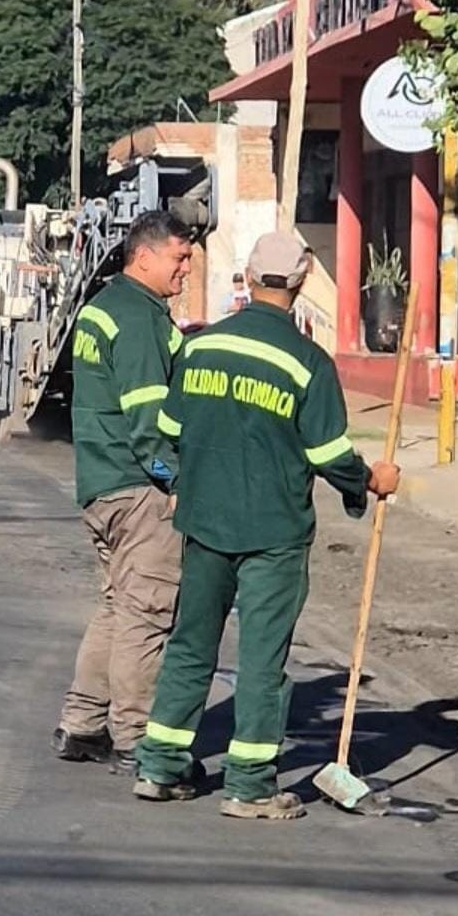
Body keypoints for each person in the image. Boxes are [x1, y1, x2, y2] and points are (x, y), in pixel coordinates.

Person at [133, 231, 400, 818]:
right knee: (261, 657)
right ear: (301, 283)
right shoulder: (307, 364)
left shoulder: (200, 348)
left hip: (203, 522)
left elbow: (171, 432)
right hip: (273, 534)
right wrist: (370, 482)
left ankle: (160, 765)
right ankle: (250, 784)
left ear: (248, 280)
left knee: (190, 646)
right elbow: (329, 454)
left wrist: (185, 484)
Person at [54, 210, 194, 776]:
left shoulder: (101, 310)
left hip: (99, 484)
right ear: (145, 256)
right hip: (139, 489)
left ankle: (82, 724)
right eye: (178, 258)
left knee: (117, 605)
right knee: (148, 614)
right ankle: (136, 738)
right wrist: (174, 480)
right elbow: (147, 421)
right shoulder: (138, 319)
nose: (185, 269)